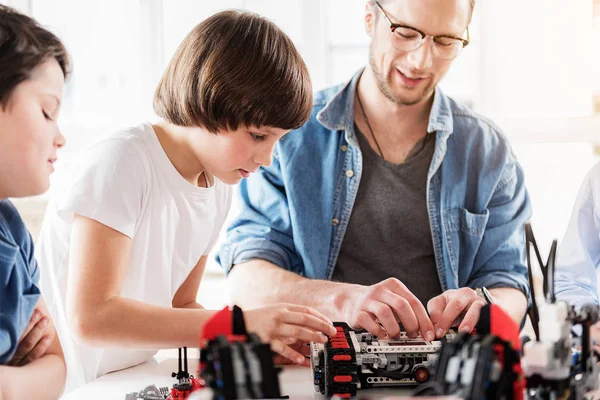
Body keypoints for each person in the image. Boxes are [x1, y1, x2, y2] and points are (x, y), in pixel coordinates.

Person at [36, 10, 336, 392]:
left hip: (130, 381)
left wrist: (251, 337)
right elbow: (91, 317)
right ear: (211, 98)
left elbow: (181, 308)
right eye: (258, 136)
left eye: (277, 141)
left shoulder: (219, 186)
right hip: (72, 388)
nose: (267, 159)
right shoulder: (122, 161)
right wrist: (238, 324)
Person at [218, 0, 531, 341]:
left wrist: (487, 306)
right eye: (406, 33)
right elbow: (246, 279)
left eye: (444, 42)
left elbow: (510, 284)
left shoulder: (488, 151)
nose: (421, 61)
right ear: (370, 19)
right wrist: (342, 300)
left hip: (447, 381)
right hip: (320, 372)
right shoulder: (290, 135)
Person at [0, 5, 70, 399]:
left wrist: (8, 385)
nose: (60, 137)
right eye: (47, 112)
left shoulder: (11, 231)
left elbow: (56, 366)